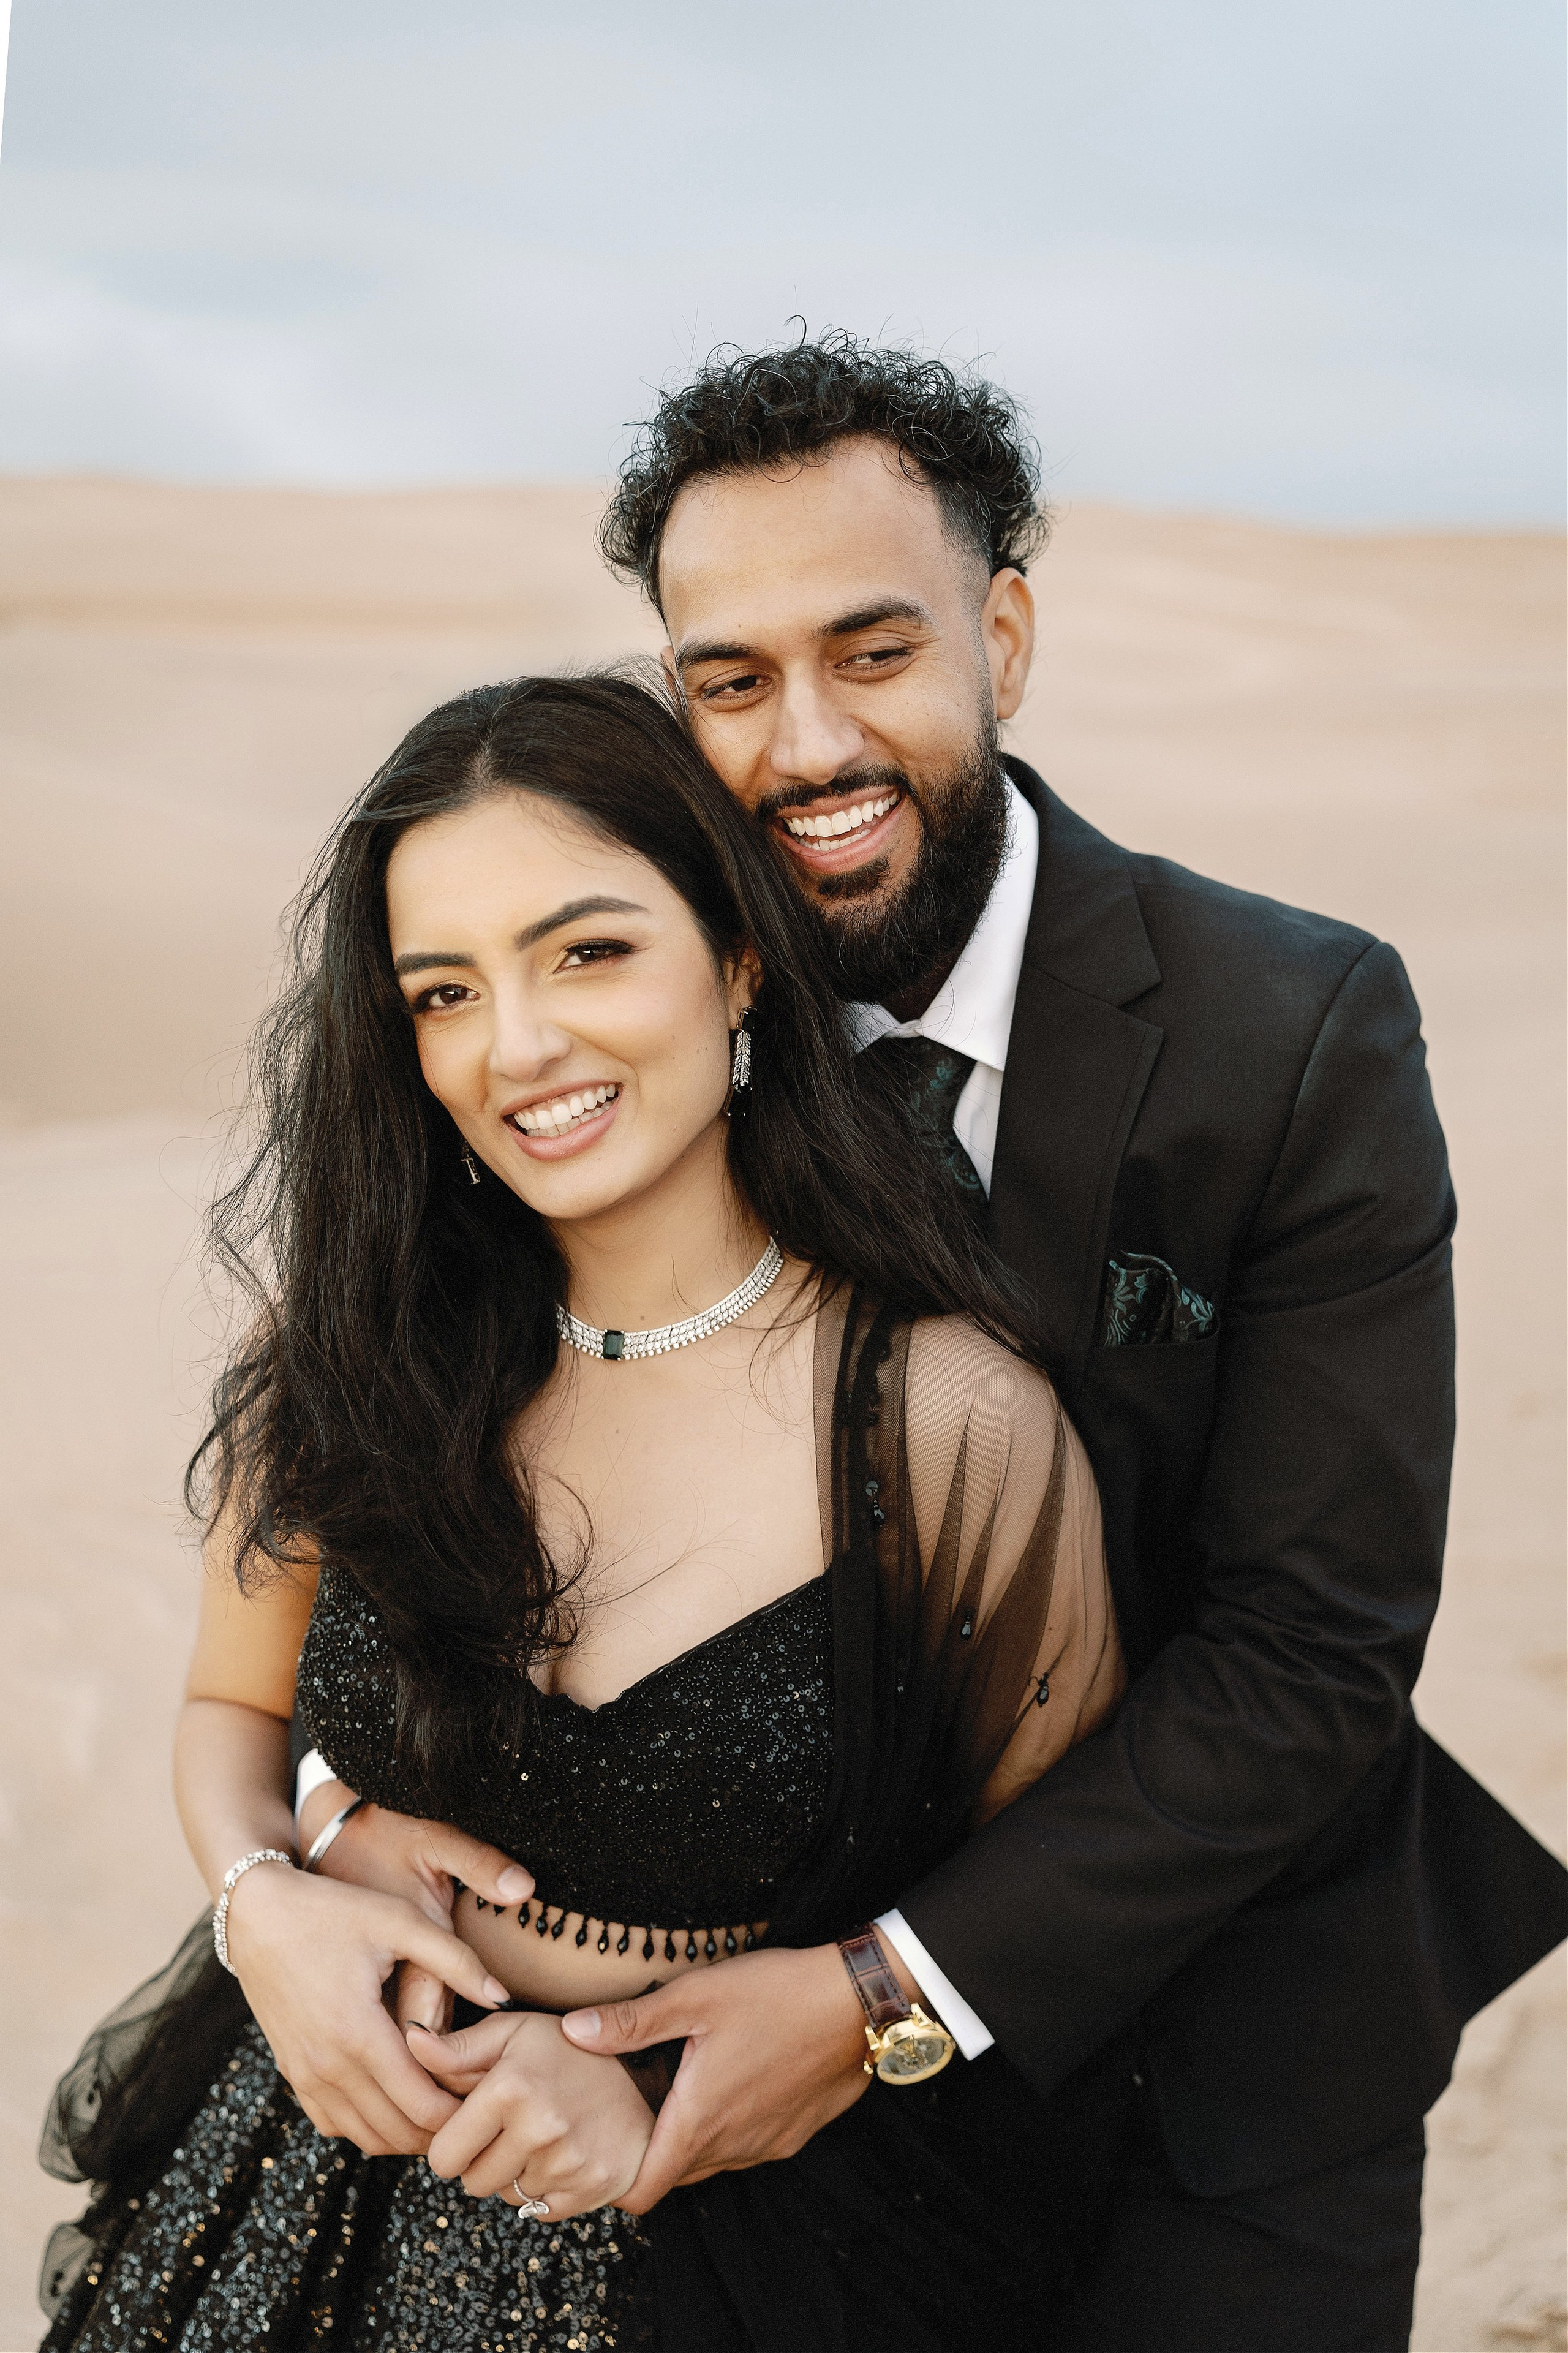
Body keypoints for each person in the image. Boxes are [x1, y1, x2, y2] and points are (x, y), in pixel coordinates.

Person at [320, 335, 1568, 2351]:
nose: (806, 741)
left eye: (874, 651)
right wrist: (302, 1836)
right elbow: (447, 1447)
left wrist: (888, 1990)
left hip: (1216, 2058)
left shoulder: (1295, 1032)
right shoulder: (636, 1016)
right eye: (730, 681)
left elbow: (1313, 1646)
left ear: (1003, 632)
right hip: (722, 2075)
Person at [39, 671, 1126, 2353]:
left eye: (588, 950)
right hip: (302, 2194)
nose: (519, 1045)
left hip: (757, 2253)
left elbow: (1043, 1914)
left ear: (741, 957)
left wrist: (678, 2089)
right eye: (445, 991)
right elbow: (226, 1707)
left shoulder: (946, 1426)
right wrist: (272, 1899)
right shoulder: (352, 1349)